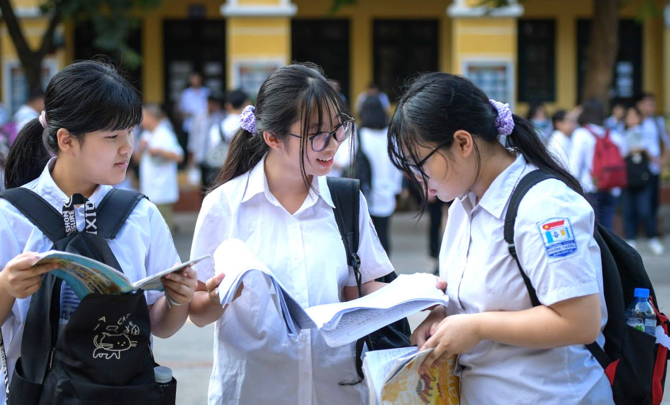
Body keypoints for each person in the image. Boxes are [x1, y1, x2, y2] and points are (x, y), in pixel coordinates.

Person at [0, 61, 198, 405]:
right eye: (113, 136)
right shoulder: (6, 215)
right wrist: (5, 286)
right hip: (37, 395)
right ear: (67, 140)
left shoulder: (142, 214)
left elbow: (161, 326)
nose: (128, 147)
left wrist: (178, 298)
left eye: (131, 132)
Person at [388, 72, 612, 403]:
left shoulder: (544, 208)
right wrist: (443, 316)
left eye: (419, 165)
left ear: (463, 143)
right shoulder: (463, 204)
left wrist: (477, 327)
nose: (417, 180)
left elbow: (581, 321)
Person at [187, 63, 396, 404]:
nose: (332, 145)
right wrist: (214, 299)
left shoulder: (345, 201)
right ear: (272, 138)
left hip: (335, 390)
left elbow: (361, 286)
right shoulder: (224, 205)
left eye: (338, 128)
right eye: (317, 134)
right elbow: (197, 310)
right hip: (254, 392)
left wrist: (413, 298)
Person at [356, 93, 402, 255]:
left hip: (364, 194)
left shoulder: (358, 135)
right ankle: (386, 274)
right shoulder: (390, 137)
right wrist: (397, 192)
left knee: (365, 237)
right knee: (383, 235)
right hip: (387, 193)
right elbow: (397, 167)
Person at [569, 99, 624, 231]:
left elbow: (574, 165)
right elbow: (623, 153)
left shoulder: (581, 134)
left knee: (592, 229)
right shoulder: (613, 134)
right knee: (608, 228)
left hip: (590, 186)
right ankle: (609, 252)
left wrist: (572, 187)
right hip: (611, 186)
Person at [620, 105, 663, 254]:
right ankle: (631, 239)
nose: (631, 119)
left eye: (634, 116)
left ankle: (652, 238)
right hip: (627, 178)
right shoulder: (621, 135)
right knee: (628, 210)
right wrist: (629, 150)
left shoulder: (645, 134)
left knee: (646, 210)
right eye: (629, 116)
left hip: (644, 177)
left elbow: (654, 157)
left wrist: (644, 149)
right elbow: (619, 156)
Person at [136, 103, 185, 229]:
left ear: (152, 117)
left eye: (143, 117)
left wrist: (160, 151)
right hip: (149, 188)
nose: (140, 121)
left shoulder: (165, 134)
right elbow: (136, 160)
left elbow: (179, 157)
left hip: (162, 190)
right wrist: (140, 148)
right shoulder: (146, 135)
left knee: (163, 228)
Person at [637, 92, 669, 246]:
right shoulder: (635, 121)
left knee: (654, 202)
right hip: (640, 168)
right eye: (648, 104)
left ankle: (653, 234)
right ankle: (643, 234)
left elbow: (666, 141)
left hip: (655, 168)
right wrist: (650, 156)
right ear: (640, 105)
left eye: (653, 104)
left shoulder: (658, 121)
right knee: (642, 202)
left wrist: (663, 159)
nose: (651, 107)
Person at [201, 90, 249, 189]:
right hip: (246, 173)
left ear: (228, 106)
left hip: (222, 173)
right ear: (246, 104)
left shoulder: (217, 127)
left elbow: (211, 149)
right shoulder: (251, 127)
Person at [180, 72, 211, 139]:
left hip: (203, 122)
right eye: (193, 79)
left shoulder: (206, 91)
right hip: (190, 123)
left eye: (197, 79)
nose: (195, 81)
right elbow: (182, 109)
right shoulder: (186, 93)